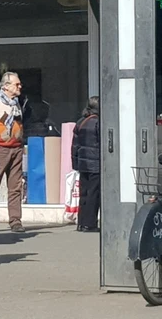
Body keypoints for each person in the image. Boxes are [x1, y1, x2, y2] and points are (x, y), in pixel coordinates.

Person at [0, 71, 27, 234]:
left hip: (16, 147)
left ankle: (15, 221)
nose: (20, 86)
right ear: (6, 86)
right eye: (16, 84)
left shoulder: (18, 102)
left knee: (15, 187)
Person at [71, 96, 100, 232]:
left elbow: (74, 146)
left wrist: (75, 163)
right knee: (94, 194)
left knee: (84, 193)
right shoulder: (99, 123)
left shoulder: (81, 122)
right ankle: (90, 223)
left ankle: (81, 223)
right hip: (96, 164)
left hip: (83, 164)